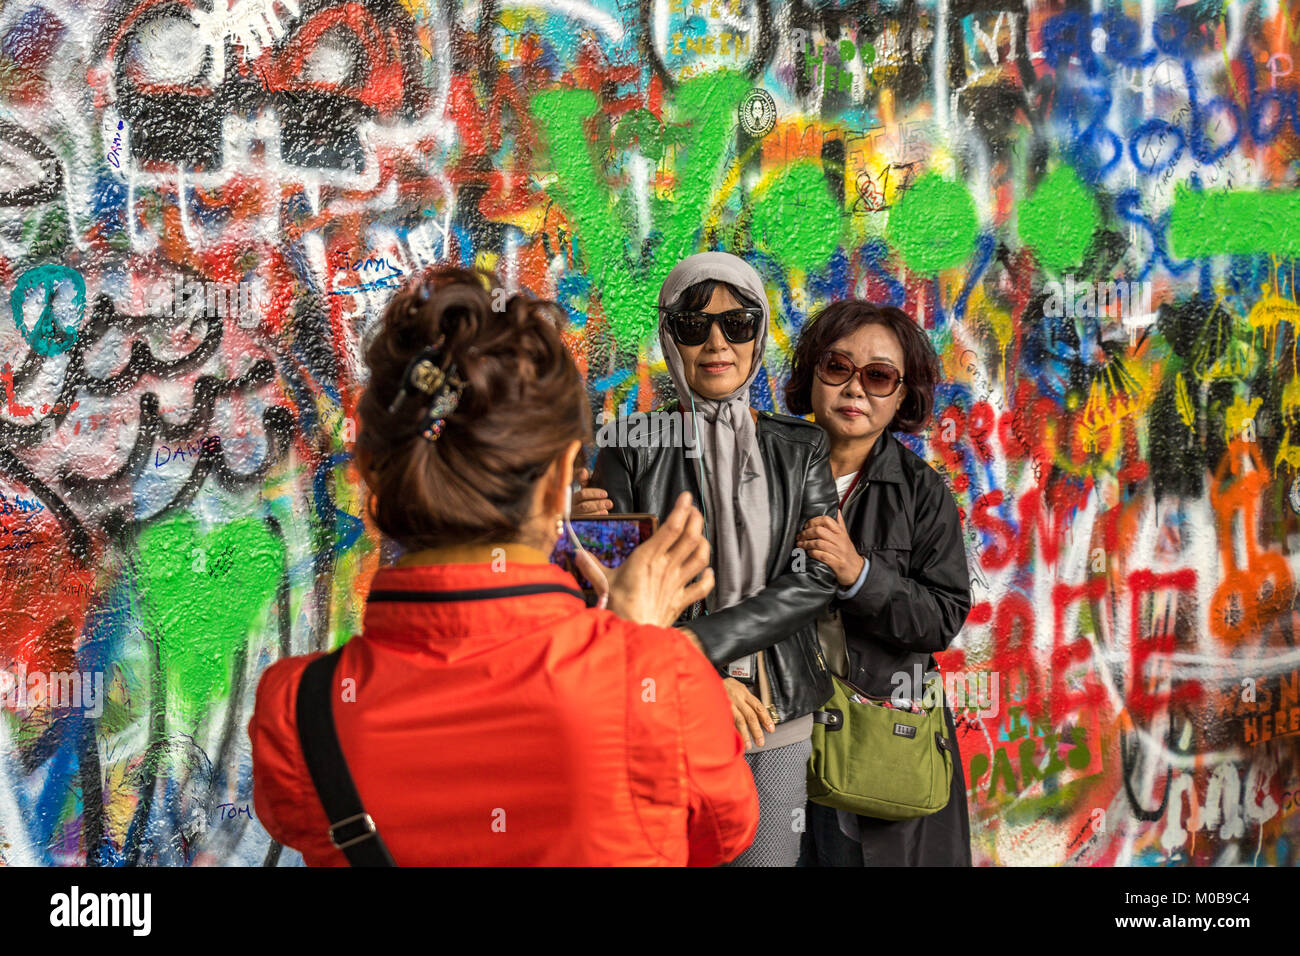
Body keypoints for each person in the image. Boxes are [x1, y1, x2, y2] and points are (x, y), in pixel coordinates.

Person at [248, 265, 760, 866]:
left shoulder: (299, 707)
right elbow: (719, 835)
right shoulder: (664, 680)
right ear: (558, 485)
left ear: (377, 478)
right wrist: (638, 646)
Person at [575, 251, 838, 867]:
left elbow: (817, 575)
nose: (717, 343)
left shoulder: (801, 449)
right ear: (671, 339)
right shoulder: (630, 443)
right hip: (661, 708)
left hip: (775, 710)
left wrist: (696, 648)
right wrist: (572, 534)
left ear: (758, 332)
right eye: (694, 327)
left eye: (738, 324)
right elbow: (608, 594)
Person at [790, 299, 973, 866]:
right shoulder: (763, 468)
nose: (855, 390)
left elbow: (942, 617)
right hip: (780, 734)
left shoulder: (921, 493)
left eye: (878, 377)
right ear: (812, 376)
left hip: (879, 738)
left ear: (902, 396)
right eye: (837, 368)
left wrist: (858, 574)